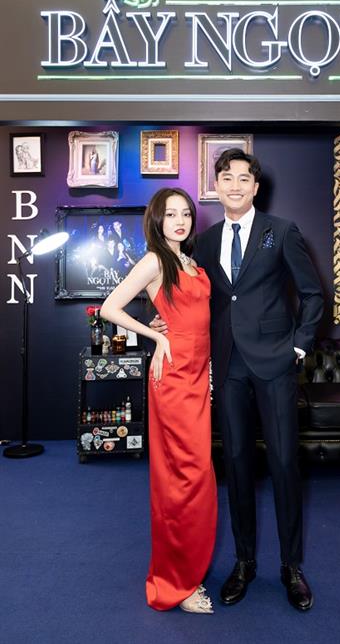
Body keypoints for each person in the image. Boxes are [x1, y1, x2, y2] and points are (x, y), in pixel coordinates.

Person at [152, 149, 323, 611]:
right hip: (227, 366)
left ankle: (291, 567)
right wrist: (162, 325)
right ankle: (244, 562)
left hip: (275, 364)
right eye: (226, 178)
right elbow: (189, 297)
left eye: (243, 178)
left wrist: (298, 347)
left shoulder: (281, 231)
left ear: (255, 187)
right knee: (237, 465)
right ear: (217, 186)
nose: (234, 185)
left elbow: (312, 294)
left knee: (284, 464)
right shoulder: (203, 243)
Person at [100, 188, 217, 615]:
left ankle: (188, 568)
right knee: (183, 479)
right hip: (173, 377)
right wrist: (156, 336)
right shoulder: (154, 260)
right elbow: (110, 308)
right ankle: (177, 583)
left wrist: (208, 371)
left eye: (185, 213)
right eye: (171, 215)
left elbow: (199, 322)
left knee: (197, 477)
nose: (180, 221)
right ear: (157, 220)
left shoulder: (191, 264)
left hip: (197, 376)